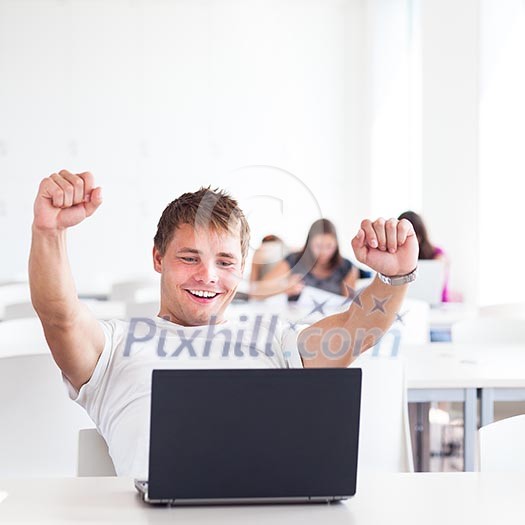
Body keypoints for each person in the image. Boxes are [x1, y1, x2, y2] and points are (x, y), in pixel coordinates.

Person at [29, 170, 419, 478]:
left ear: (243, 267)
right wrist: (49, 232)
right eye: (189, 258)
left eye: (226, 262)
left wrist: (393, 279)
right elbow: (60, 316)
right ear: (158, 258)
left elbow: (355, 329)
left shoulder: (273, 340)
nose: (208, 276)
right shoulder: (114, 346)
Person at [252, 218, 360, 300]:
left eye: (329, 246)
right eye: (318, 246)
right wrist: (283, 288)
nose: (324, 252)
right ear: (309, 244)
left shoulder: (347, 268)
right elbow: (257, 292)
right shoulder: (293, 260)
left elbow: (349, 306)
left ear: (336, 245)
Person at [398, 211, 450, 302]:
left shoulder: (437, 253)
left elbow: (439, 284)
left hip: (436, 307)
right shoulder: (396, 257)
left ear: (421, 236)